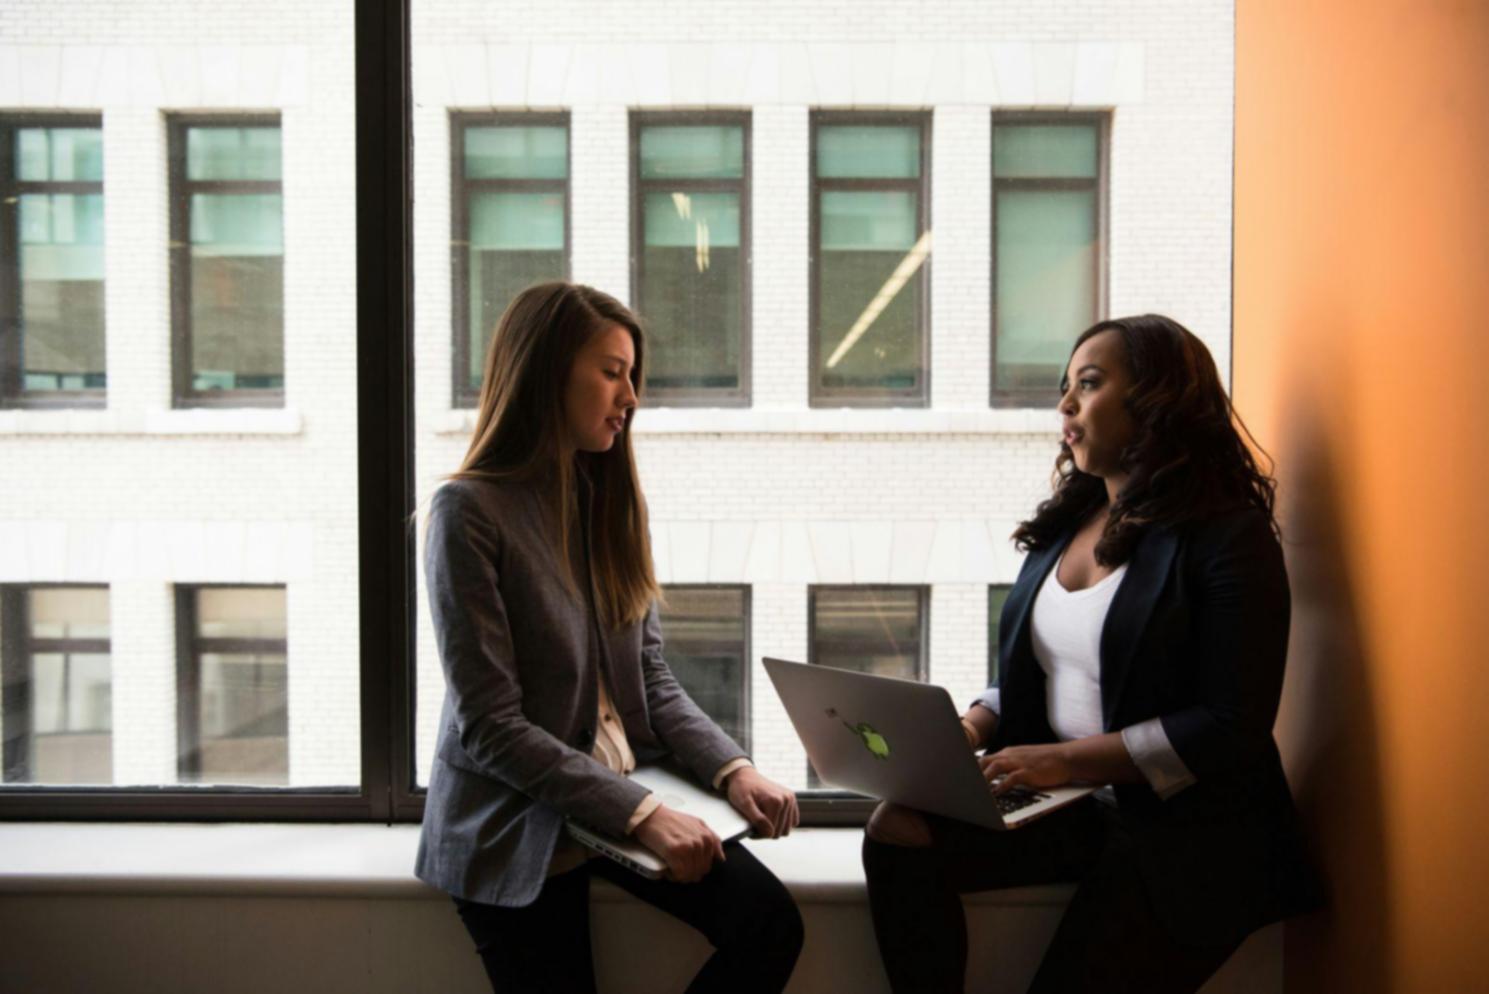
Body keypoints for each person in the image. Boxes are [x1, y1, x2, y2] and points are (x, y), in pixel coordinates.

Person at [861, 314, 1320, 993]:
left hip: (1190, 834)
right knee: (896, 828)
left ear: (1159, 398)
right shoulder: (1067, 524)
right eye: (1064, 387)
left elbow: (1231, 725)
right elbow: (1045, 667)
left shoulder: (1228, 535)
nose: (1065, 404)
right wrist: (968, 727)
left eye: (1089, 384)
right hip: (1076, 806)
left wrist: (1059, 760)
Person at [416, 281, 804, 994]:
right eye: (611, 371)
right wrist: (642, 815)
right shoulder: (465, 511)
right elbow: (490, 727)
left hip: (618, 791)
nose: (630, 395)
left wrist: (732, 770)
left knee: (771, 925)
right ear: (545, 370)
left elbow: (649, 680)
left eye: (632, 375)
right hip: (516, 818)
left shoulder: (607, 502)